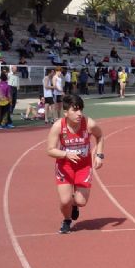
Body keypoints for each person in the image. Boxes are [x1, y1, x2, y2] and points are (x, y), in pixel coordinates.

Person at [47, 94, 104, 234]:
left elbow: (100, 136)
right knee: (65, 201)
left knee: (81, 202)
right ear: (66, 112)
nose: (79, 113)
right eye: (75, 110)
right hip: (64, 166)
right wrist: (65, 154)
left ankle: (74, 205)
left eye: (81, 110)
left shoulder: (89, 123)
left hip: (84, 166)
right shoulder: (58, 126)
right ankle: (67, 220)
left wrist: (99, 155)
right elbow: (50, 150)